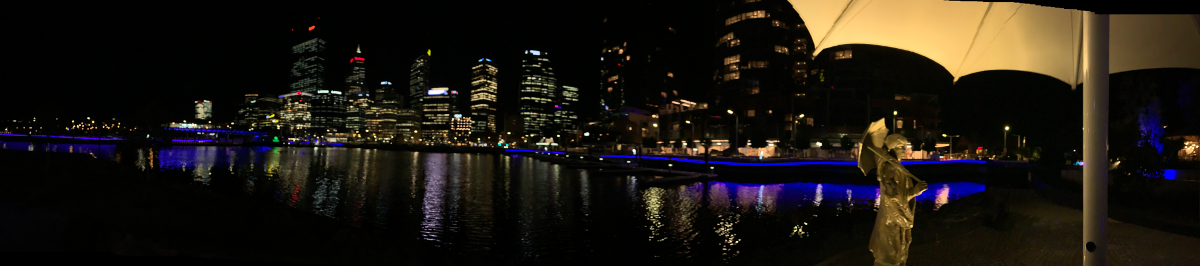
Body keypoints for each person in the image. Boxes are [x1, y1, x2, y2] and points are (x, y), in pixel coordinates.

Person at [859, 119, 928, 266]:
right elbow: (892, 196)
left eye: (905, 146)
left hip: (896, 217)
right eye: (901, 147)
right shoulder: (888, 168)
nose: (904, 150)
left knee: (899, 251)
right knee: (891, 253)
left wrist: (913, 191)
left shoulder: (897, 167)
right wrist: (913, 192)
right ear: (893, 148)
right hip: (891, 218)